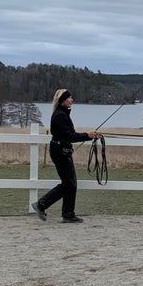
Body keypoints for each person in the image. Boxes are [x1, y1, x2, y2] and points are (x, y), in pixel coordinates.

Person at [30, 89, 103, 223]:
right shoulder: (60, 116)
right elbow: (69, 136)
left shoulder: (62, 114)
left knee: (71, 183)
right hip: (60, 152)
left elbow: (68, 135)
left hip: (61, 150)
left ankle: (68, 213)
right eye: (69, 98)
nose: (72, 100)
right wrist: (87, 135)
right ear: (63, 100)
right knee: (69, 183)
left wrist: (89, 135)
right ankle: (42, 204)